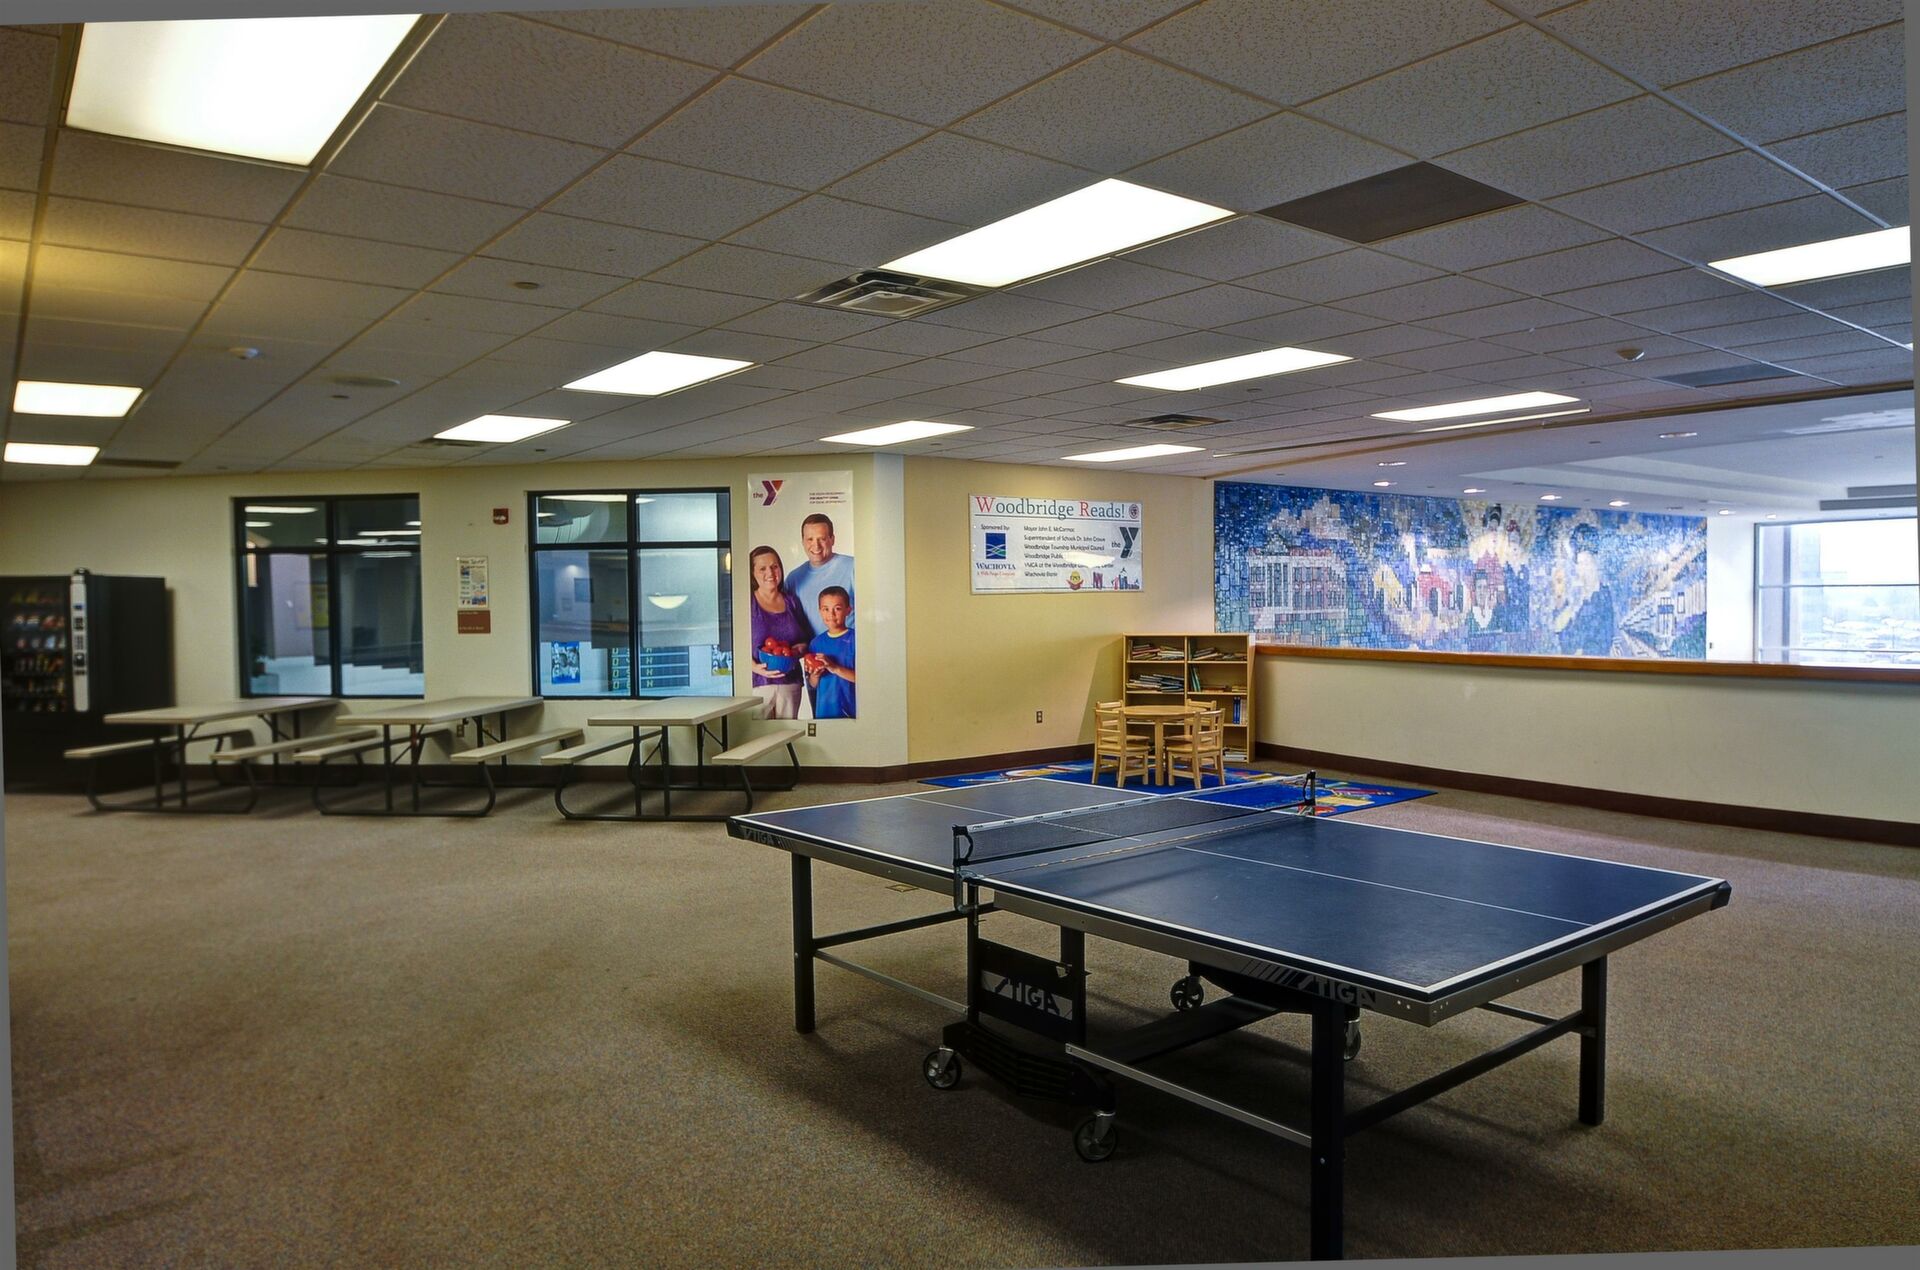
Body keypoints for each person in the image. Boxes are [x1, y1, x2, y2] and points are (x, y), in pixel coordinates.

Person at [748, 545, 811, 719]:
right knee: (758, 734)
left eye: (774, 566)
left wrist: (799, 649)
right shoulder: (747, 602)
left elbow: (805, 639)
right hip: (757, 685)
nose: (770, 572)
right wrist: (754, 667)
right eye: (762, 568)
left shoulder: (791, 601)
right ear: (753, 573)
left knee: (788, 733)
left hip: (790, 683)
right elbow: (735, 646)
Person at [784, 513, 855, 630]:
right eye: (810, 539)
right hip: (811, 643)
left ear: (832, 539)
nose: (816, 546)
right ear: (803, 542)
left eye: (822, 539)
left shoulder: (853, 567)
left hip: (849, 641)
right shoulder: (793, 579)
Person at [804, 586, 855, 720]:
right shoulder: (815, 643)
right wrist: (815, 675)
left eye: (837, 609)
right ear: (820, 611)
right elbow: (813, 684)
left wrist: (835, 667)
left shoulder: (856, 639)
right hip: (824, 712)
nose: (831, 614)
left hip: (851, 712)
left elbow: (866, 679)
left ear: (848, 610)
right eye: (825, 609)